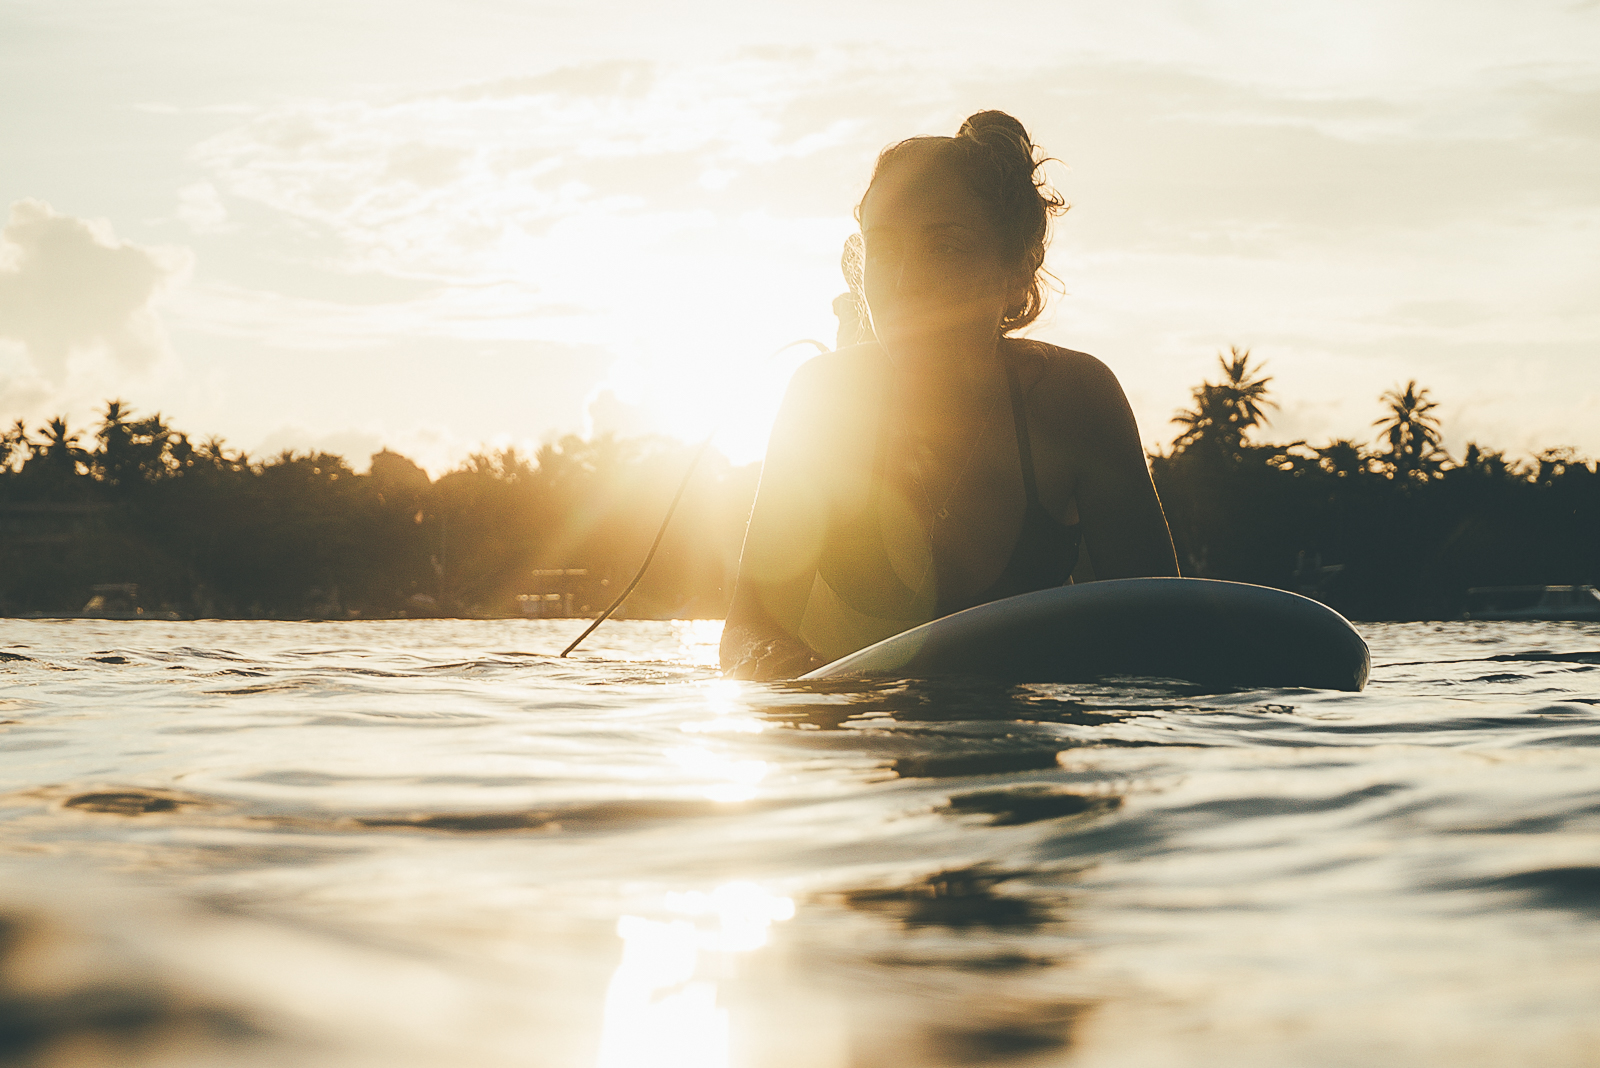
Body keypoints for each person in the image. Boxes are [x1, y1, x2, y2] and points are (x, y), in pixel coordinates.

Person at [721, 111, 1179, 679]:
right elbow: (749, 631)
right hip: (851, 752)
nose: (906, 280)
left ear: (1016, 270)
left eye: (946, 248)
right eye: (884, 248)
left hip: (1023, 755)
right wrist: (802, 691)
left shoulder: (1075, 400)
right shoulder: (823, 400)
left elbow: (1161, 627)